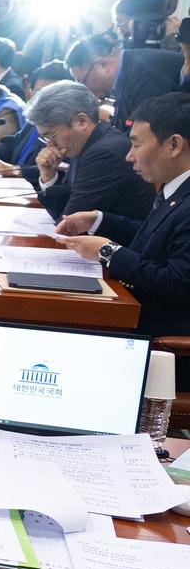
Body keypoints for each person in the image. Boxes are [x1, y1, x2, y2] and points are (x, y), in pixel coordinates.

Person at [55, 92, 190, 379]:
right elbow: (154, 238)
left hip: (163, 347)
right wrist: (98, 220)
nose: (129, 156)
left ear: (174, 145)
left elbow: (177, 283)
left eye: (137, 144)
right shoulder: (176, 189)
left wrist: (108, 252)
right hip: (136, 320)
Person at [26, 80, 153, 223]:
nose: (50, 144)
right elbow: (63, 211)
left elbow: (68, 223)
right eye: (45, 138)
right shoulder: (87, 142)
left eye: (51, 135)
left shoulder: (104, 153)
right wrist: (48, 175)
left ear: (81, 122)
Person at [66, 32, 183, 134]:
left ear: (103, 65)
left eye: (83, 81)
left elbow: (145, 136)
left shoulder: (144, 72)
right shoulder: (129, 69)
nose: (86, 90)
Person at [0, 60, 73, 176]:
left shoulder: (66, 129)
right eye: (39, 93)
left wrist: (15, 170)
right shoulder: (34, 118)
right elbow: (15, 141)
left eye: (52, 95)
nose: (45, 100)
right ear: (30, 92)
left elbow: (58, 170)